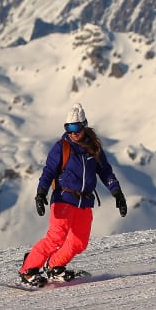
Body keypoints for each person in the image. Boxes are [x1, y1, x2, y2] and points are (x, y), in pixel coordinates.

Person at [18, 103, 128, 286]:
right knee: (55, 238)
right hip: (63, 198)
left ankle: (54, 266)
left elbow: (106, 172)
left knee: (79, 242)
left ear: (84, 126)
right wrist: (41, 193)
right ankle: (27, 270)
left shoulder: (93, 148)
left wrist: (117, 193)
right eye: (68, 128)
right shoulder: (62, 147)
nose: (72, 132)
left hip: (84, 201)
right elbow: (48, 171)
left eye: (76, 128)